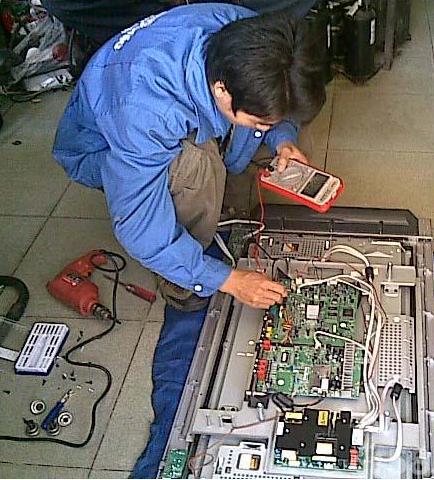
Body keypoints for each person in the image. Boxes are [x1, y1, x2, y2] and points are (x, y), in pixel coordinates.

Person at [53, 3, 325, 313]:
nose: (266, 128)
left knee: (268, 140)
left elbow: (277, 101)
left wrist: (283, 139)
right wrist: (227, 280)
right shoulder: (145, 113)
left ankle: (220, 189)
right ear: (222, 90)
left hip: (160, 107)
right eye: (261, 122)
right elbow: (138, 226)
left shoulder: (254, 35)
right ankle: (180, 278)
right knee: (196, 168)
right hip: (100, 147)